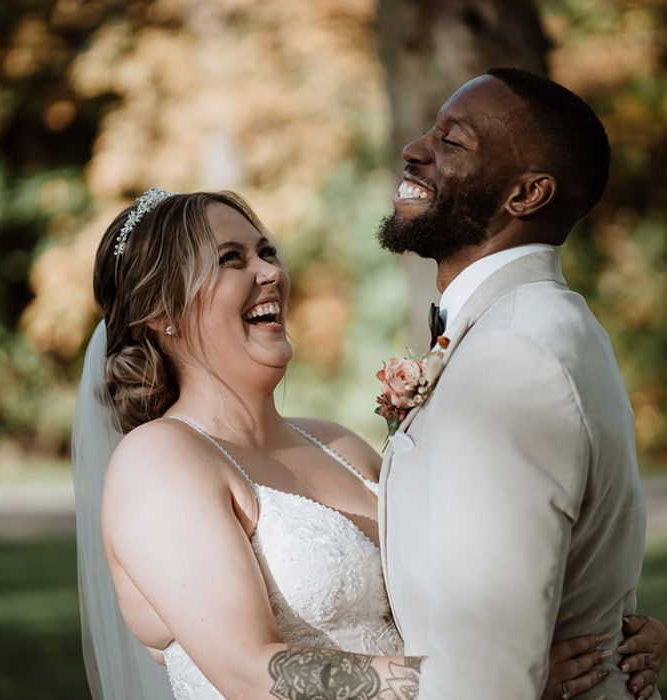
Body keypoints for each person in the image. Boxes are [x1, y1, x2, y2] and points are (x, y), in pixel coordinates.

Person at [73, 187, 666, 699]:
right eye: (232, 259)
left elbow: (474, 572)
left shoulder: (337, 444)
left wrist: (611, 629)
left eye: (267, 251)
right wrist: (490, 681)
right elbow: (255, 676)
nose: (270, 272)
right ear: (161, 313)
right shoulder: (160, 463)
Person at [376, 67, 663, 700]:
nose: (415, 148)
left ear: (527, 195)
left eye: (453, 142)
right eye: (431, 130)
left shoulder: (515, 353)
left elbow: (489, 670)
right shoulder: (546, 324)